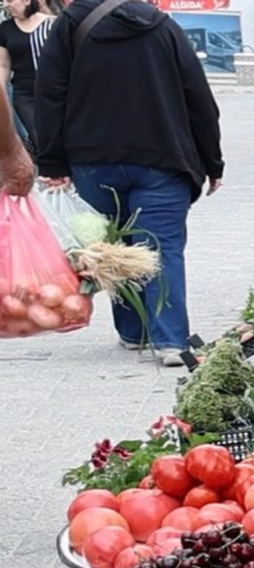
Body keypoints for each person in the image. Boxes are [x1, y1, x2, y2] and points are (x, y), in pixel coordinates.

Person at [34, 0, 223, 365]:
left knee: (113, 247)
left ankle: (134, 333)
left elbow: (50, 94)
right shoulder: (163, 27)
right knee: (162, 248)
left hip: (93, 159)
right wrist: (212, 161)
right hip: (162, 158)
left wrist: (53, 160)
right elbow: (198, 96)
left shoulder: (70, 24)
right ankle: (171, 342)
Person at [0, 0, 61, 152]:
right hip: (24, 93)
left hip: (53, 90)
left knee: (59, 134)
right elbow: (3, 65)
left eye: (10, 0)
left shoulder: (52, 24)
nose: (7, 5)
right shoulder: (5, 29)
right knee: (40, 137)